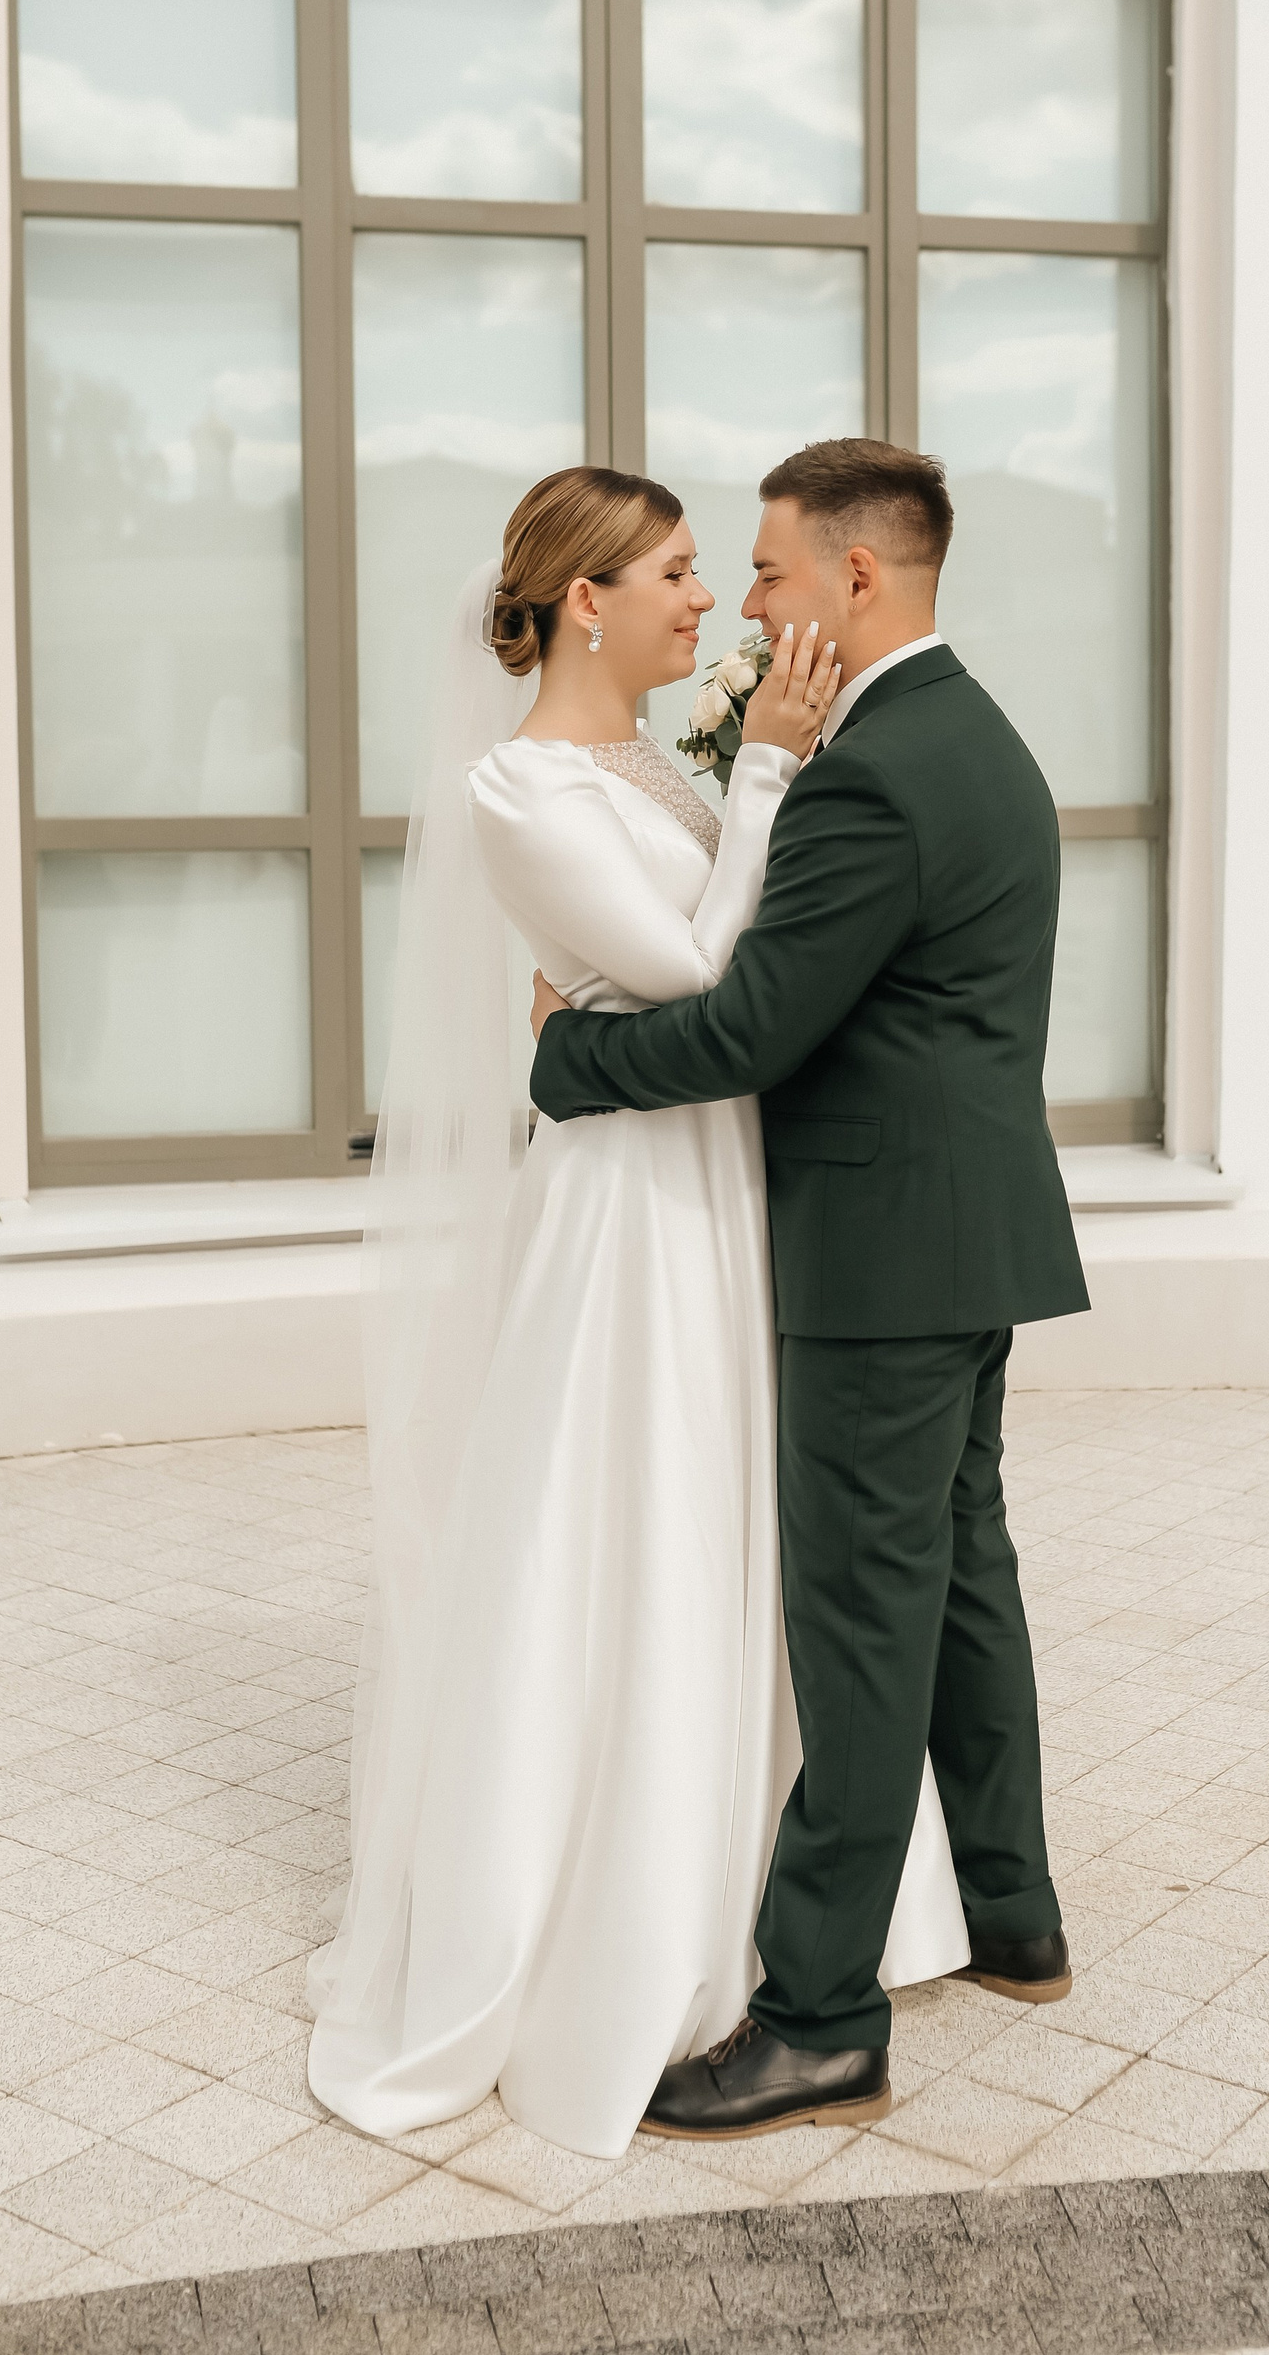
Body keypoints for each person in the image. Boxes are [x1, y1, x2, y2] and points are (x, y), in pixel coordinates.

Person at [305, 464, 972, 2161]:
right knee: (640, 1517)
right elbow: (700, 977)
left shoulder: (661, 767)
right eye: (677, 571)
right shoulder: (520, 788)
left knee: (744, 1516)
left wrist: (742, 790)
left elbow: (739, 956)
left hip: (721, 1182)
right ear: (585, 600)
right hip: (629, 1215)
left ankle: (763, 1889)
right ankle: (608, 1910)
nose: (709, 602)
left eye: (710, 568)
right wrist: (767, 776)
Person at [529, 437, 1091, 2141]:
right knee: (962, 1576)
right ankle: (1015, 1913)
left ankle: (822, 2014)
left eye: (768, 568)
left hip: (877, 1258)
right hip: (970, 1234)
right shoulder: (978, 736)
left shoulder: (876, 776)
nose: (749, 599)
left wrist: (569, 1061)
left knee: (861, 1625)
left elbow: (754, 1026)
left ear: (857, 573)